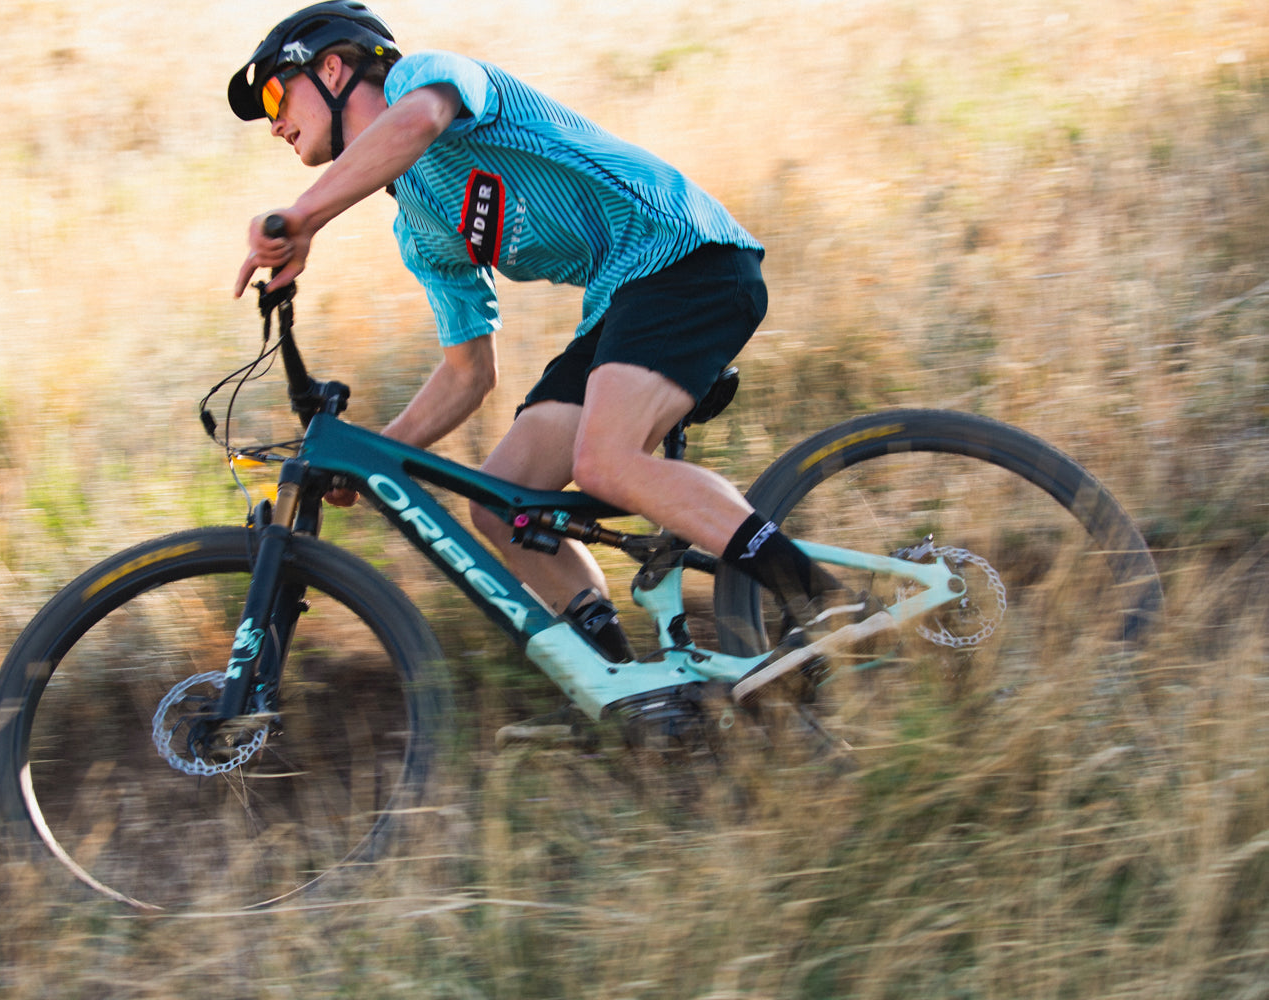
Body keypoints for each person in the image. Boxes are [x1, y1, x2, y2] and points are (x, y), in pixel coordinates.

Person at [226, 1, 894, 721]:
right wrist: (372, 457)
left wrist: (304, 216)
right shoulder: (420, 225)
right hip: (620, 303)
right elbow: (467, 373)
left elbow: (416, 123)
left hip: (686, 256)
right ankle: (635, 689)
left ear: (332, 68)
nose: (274, 122)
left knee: (606, 460)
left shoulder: (428, 79)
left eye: (274, 93)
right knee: (502, 500)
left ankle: (825, 603)